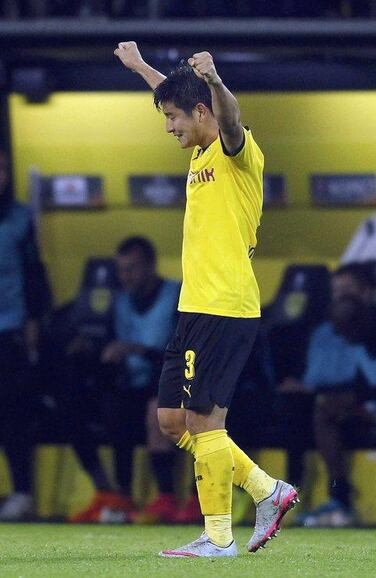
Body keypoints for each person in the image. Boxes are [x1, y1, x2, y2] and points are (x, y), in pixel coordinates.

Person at [114, 41, 297, 557]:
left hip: (227, 305)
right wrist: (142, 68)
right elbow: (178, 96)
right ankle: (266, 490)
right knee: (172, 421)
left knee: (204, 424)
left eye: (173, 117)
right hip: (195, 306)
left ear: (202, 112)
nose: (168, 126)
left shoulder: (237, 152)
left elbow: (229, 120)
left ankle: (218, 537)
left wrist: (215, 81)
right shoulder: (198, 149)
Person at [64, 237, 182, 524]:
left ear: (151, 266)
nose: (125, 276)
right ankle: (116, 494)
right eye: (122, 270)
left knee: (154, 408)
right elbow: (109, 342)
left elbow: (182, 353)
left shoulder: (176, 296)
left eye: (133, 269)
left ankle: (166, 496)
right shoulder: (119, 302)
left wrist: (137, 350)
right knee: (76, 404)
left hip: (169, 382)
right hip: (130, 383)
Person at [292, 263, 376, 528]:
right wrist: (357, 401)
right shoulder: (350, 328)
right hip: (375, 401)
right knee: (325, 409)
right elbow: (364, 378)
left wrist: (364, 399)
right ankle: (339, 495)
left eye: (348, 289)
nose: (342, 296)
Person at [0, 148, 50, 522]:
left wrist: (34, 324)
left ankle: (22, 492)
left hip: (10, 330)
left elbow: (34, 274)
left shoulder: (19, 218)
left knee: (13, 415)